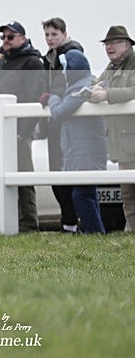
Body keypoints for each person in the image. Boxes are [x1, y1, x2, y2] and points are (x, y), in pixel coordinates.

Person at [0, 21, 44, 232]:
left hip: (19, 130)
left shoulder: (33, 63)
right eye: (3, 37)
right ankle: (0, 223)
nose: (6, 41)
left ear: (23, 38)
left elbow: (35, 98)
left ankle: (28, 223)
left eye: (10, 37)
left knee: (24, 178)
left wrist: (22, 132)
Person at [43, 51, 107, 233]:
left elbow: (60, 112)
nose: (62, 73)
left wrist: (52, 98)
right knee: (87, 193)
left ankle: (94, 233)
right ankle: (96, 233)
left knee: (81, 194)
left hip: (86, 151)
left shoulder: (83, 87)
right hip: (82, 150)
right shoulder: (80, 85)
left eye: (64, 68)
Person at [89, 26, 135, 232]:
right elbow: (96, 84)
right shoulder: (111, 67)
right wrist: (92, 89)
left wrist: (108, 94)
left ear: (127, 45)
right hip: (122, 142)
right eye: (107, 44)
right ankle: (132, 231)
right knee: (127, 193)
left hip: (131, 138)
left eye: (114, 42)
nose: (109, 47)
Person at [41, 18, 84, 233]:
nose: (50, 39)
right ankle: (69, 222)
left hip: (67, 121)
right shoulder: (48, 58)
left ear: (65, 34)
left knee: (65, 173)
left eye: (54, 34)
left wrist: (53, 97)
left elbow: (69, 85)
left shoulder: (71, 54)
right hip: (55, 120)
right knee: (55, 174)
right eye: (47, 35)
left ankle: (72, 223)